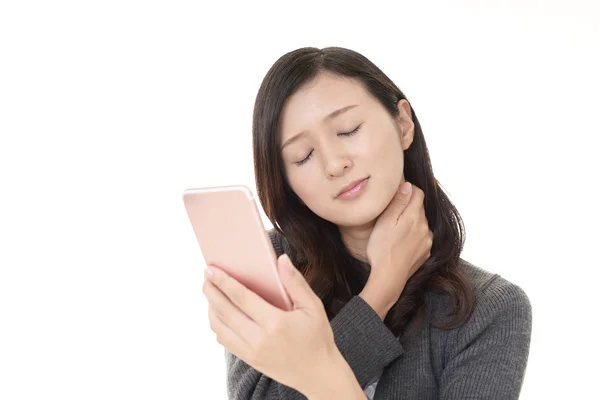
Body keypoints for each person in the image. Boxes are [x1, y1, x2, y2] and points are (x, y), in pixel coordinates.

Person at [201, 47, 532, 399]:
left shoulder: (489, 309)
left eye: (348, 130)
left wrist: (317, 372)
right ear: (287, 183)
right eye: (304, 156)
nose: (334, 163)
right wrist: (380, 291)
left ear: (404, 124)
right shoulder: (274, 269)